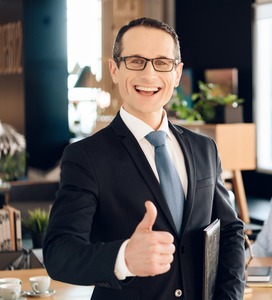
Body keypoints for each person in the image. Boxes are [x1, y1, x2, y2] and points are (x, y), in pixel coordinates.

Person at [43, 17, 245, 300]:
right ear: (114, 69)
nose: (149, 75)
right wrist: (124, 257)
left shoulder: (204, 149)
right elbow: (59, 253)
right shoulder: (85, 156)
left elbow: (230, 231)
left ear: (177, 73)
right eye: (136, 61)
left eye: (162, 62)